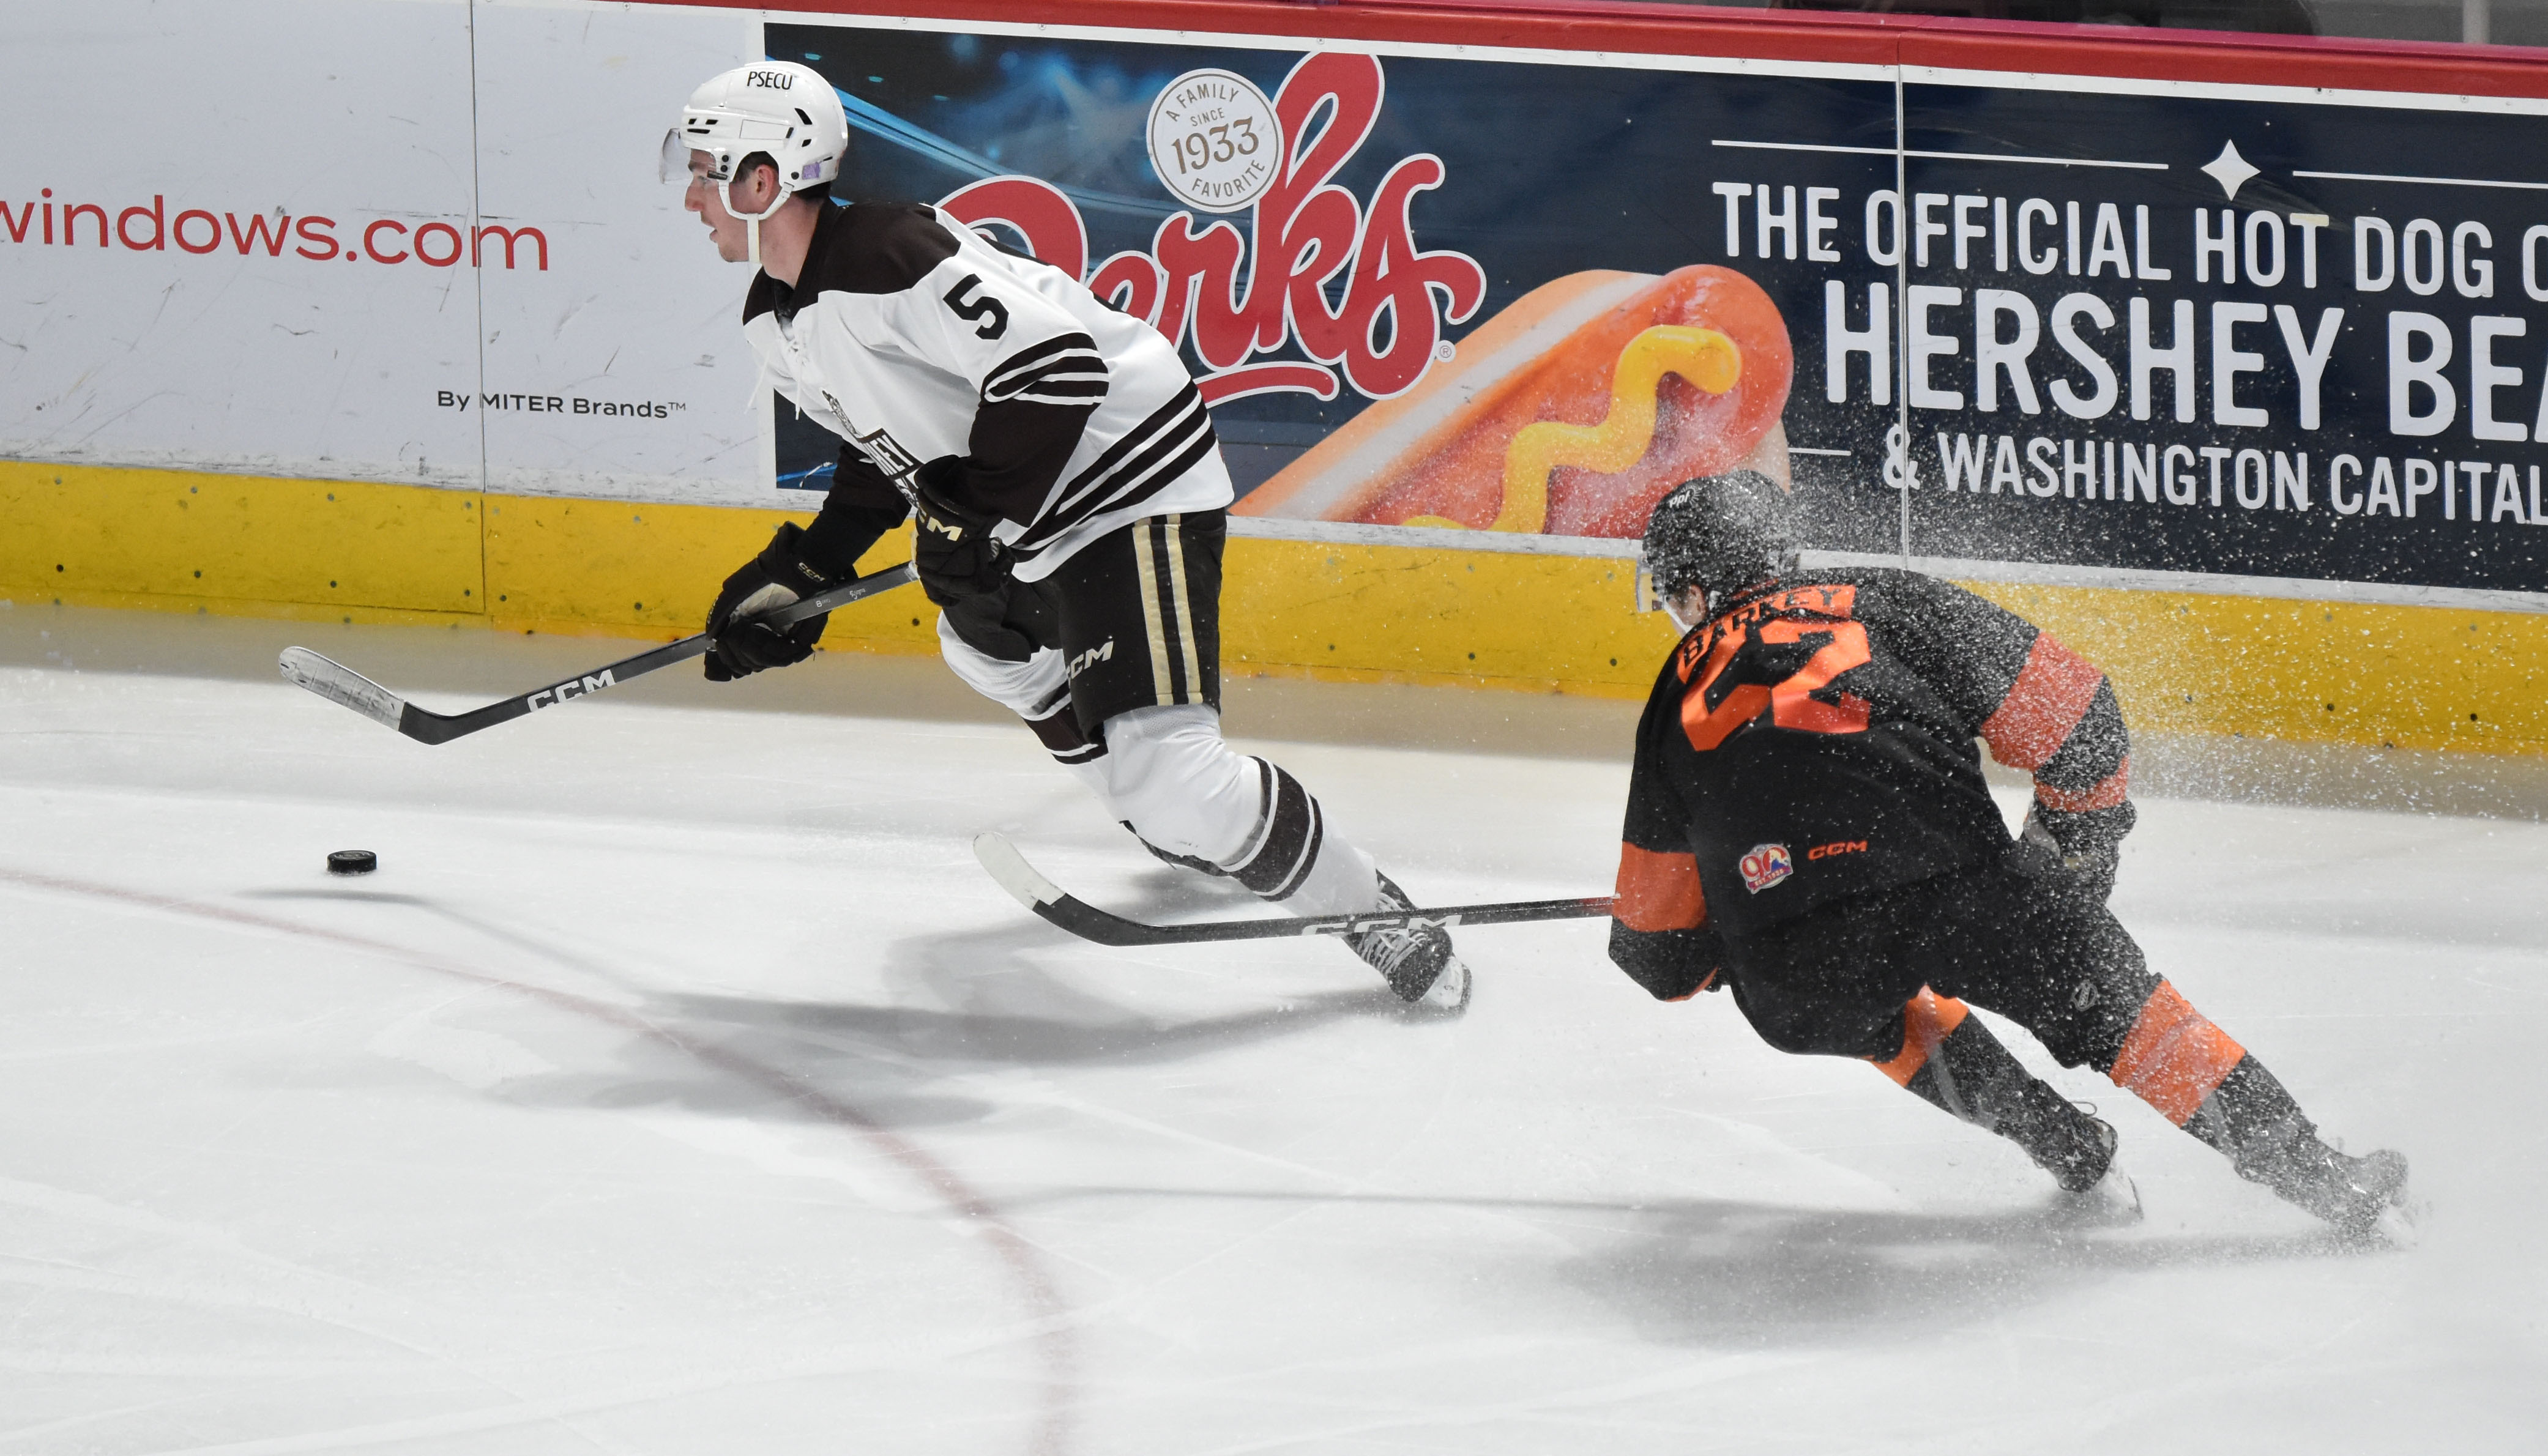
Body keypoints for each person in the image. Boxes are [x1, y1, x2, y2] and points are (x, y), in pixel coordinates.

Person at [661, 62, 1466, 1010]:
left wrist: (968, 515)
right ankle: (1159, 812)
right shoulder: (776, 316)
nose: (692, 198)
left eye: (707, 173)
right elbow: (882, 448)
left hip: (1127, 486)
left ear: (763, 180)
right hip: (1038, 507)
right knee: (978, 640)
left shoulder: (888, 254)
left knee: (1178, 781)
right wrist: (805, 571)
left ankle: (1376, 913)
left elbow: (1058, 372)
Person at [1607, 469, 2411, 1234]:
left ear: (1697, 591)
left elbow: (1658, 955)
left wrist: (1727, 942)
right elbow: (2079, 718)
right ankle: (2323, 1179)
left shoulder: (1671, 700)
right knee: (2120, 1012)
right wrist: (2072, 859)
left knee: (1852, 996)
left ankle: (2062, 1142)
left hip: (1801, 968)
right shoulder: (1881, 597)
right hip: (1959, 885)